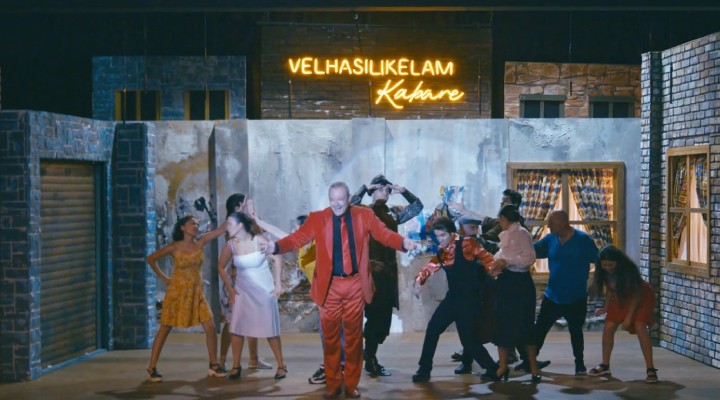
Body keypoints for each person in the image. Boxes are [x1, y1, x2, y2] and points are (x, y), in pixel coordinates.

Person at [262, 181, 415, 399]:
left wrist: (402, 243)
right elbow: (297, 239)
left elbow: (383, 234)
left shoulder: (364, 215)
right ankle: (333, 385)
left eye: (340, 200)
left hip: (355, 285)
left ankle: (351, 385)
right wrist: (275, 246)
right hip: (330, 286)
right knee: (331, 340)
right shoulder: (318, 218)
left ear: (348, 198)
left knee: (353, 339)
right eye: (332, 200)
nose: (336, 204)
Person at [350, 174, 423, 377]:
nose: (385, 192)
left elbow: (417, 207)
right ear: (373, 191)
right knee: (373, 316)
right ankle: (370, 358)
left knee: (382, 320)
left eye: (387, 190)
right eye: (380, 189)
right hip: (369, 272)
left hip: (388, 274)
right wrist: (365, 187)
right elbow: (349, 207)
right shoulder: (364, 211)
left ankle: (368, 353)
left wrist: (404, 191)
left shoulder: (392, 213)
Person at [411, 216, 500, 383]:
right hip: (452, 299)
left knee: (469, 340)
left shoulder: (466, 243)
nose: (440, 239)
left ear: (452, 233)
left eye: (443, 235)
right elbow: (430, 266)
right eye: (437, 236)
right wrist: (418, 281)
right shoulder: (442, 252)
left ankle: (493, 369)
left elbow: (486, 256)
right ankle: (424, 370)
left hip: (469, 301)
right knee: (433, 329)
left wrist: (493, 269)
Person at [146, 215, 227, 382]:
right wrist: (165, 278)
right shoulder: (174, 247)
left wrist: (234, 212)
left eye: (197, 224)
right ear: (182, 227)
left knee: (210, 327)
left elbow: (220, 230)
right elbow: (151, 259)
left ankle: (214, 365)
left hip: (197, 293)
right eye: (192, 223)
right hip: (177, 293)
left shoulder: (200, 242)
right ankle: (152, 367)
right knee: (165, 328)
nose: (196, 226)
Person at [218, 212, 286, 380]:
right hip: (243, 291)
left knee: (270, 329)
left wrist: (278, 283)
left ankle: (281, 365)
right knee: (237, 328)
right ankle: (236, 365)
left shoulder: (259, 240)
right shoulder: (231, 245)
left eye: (230, 224)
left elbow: (277, 258)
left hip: (264, 290)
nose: (227, 227)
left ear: (240, 225)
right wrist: (231, 289)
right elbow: (221, 267)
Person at [532, 209, 599, 376]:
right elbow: (531, 250)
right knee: (539, 330)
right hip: (552, 295)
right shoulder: (550, 239)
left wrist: (596, 283)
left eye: (551, 222)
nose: (548, 226)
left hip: (576, 296)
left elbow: (599, 260)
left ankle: (580, 365)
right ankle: (530, 361)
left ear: (563, 223)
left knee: (576, 332)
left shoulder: (582, 240)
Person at [588, 245, 658, 383]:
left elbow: (636, 296)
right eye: (604, 265)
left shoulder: (628, 271)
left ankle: (650, 369)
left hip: (641, 297)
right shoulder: (603, 272)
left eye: (611, 265)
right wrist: (605, 308)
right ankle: (605, 365)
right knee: (608, 327)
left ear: (618, 263)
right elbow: (610, 289)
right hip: (621, 295)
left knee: (639, 325)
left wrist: (628, 318)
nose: (607, 268)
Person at [489, 204, 541, 382]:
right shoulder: (506, 234)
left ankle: (533, 367)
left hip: (520, 284)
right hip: (506, 282)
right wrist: (496, 263)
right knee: (502, 323)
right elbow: (501, 253)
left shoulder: (521, 233)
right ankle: (503, 366)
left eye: (500, 219)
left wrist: (507, 261)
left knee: (525, 324)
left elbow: (529, 257)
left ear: (504, 218)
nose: (499, 222)